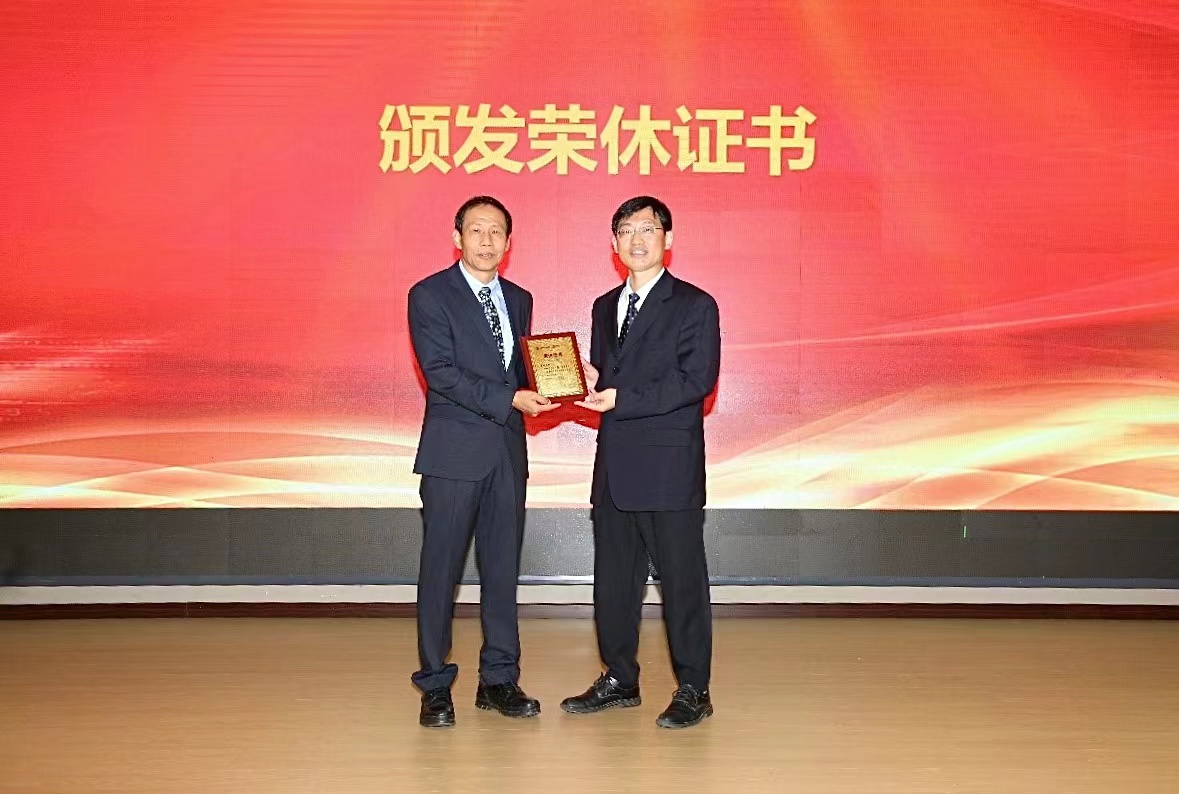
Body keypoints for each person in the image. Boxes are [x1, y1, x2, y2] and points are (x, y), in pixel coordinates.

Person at [565, 196, 721, 729]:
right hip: (614, 469)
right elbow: (611, 375)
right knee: (613, 582)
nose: (637, 239)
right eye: (627, 230)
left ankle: (694, 688)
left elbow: (695, 380)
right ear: (614, 244)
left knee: (681, 582)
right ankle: (620, 678)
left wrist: (621, 398)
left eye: (648, 229)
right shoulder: (603, 305)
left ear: (667, 239)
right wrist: (584, 383)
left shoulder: (695, 305)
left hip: (668, 469)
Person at [407, 195, 558, 728]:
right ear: (458, 238)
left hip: (506, 454)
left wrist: (558, 380)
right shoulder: (429, 294)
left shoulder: (519, 298)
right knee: (441, 571)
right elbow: (440, 372)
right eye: (477, 230)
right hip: (453, 454)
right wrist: (510, 398)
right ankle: (434, 685)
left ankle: (498, 679)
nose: (487, 240)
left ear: (509, 243)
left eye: (497, 231)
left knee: (501, 570)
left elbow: (515, 370)